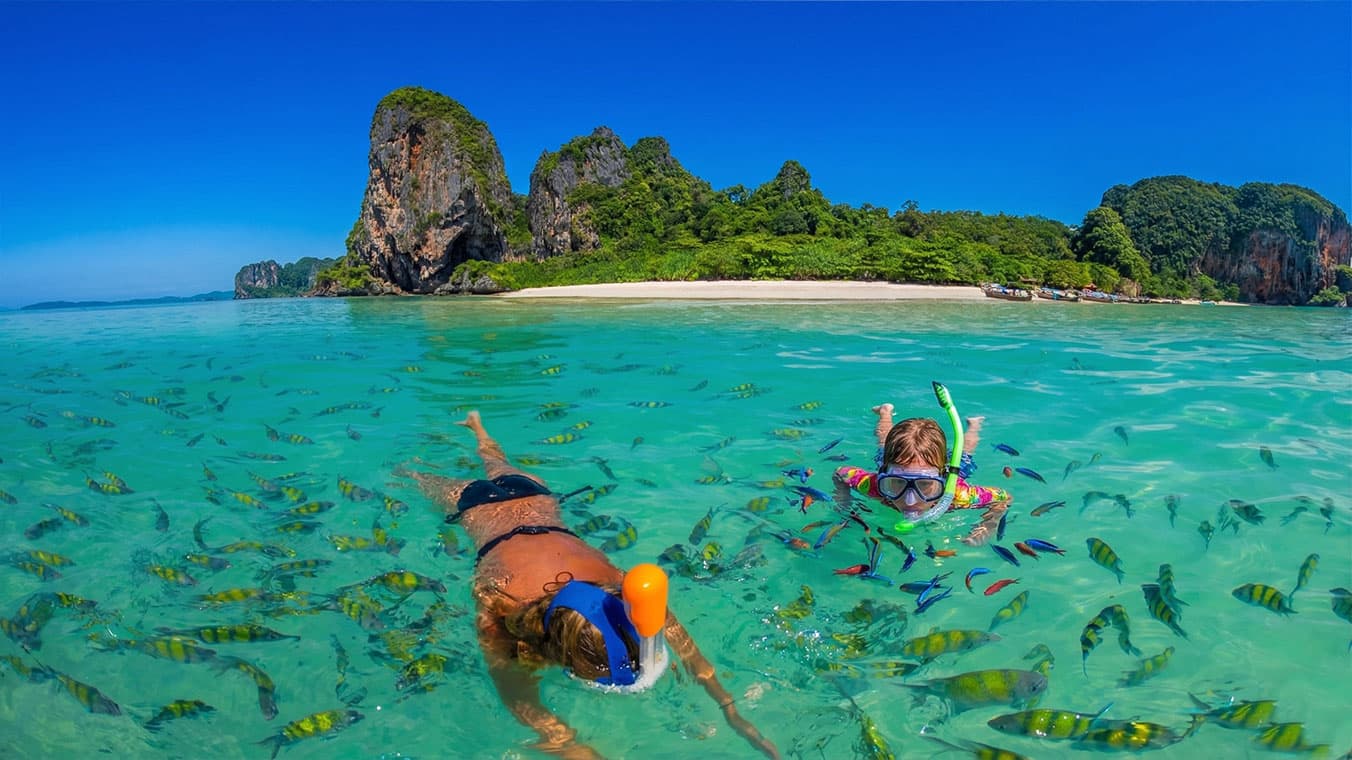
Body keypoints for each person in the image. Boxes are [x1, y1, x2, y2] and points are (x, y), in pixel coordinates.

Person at [404, 411, 779, 760]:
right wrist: (575, 749)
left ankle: (476, 428)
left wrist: (731, 711)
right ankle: (474, 431)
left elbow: (690, 654)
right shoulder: (500, 611)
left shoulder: (617, 590)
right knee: (424, 476)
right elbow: (521, 702)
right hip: (485, 506)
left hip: (530, 499)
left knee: (475, 465)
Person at [832, 403, 1011, 545]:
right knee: (883, 444)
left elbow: (1003, 498)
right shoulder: (874, 485)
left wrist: (986, 527)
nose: (910, 500)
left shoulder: (957, 495)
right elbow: (841, 473)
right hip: (890, 461)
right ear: (884, 478)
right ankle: (885, 412)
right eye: (897, 483)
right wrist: (844, 502)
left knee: (964, 455)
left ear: (942, 478)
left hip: (951, 470)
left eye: (925, 485)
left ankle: (974, 425)